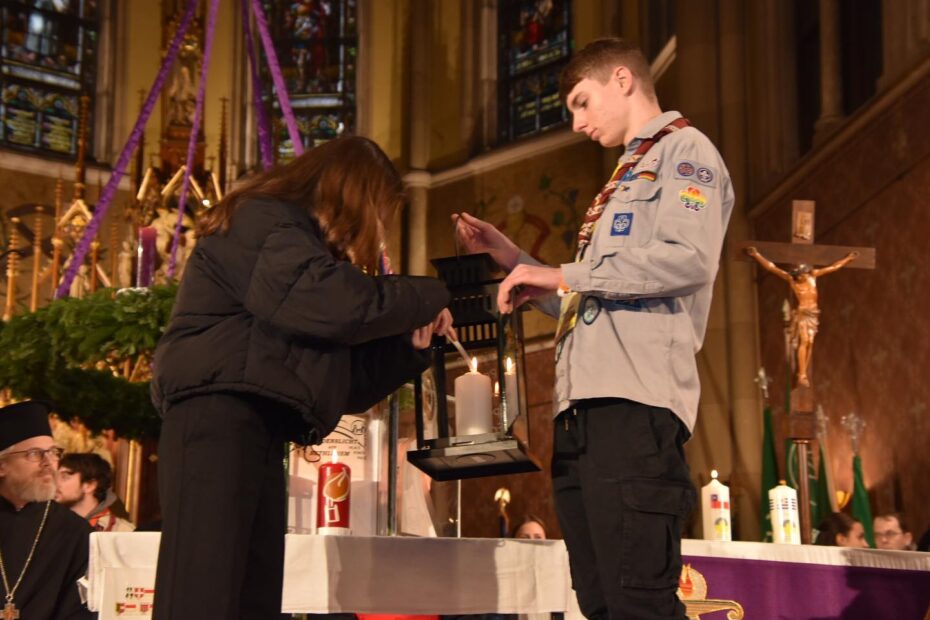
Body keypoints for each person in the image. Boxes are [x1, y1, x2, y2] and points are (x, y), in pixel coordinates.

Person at [454, 37, 734, 620]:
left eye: (583, 102)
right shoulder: (620, 180)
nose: (578, 123)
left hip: (633, 407)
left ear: (623, 80)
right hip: (582, 413)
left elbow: (687, 259)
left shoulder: (686, 152)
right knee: (601, 602)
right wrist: (514, 260)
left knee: (640, 601)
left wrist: (561, 272)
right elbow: (597, 302)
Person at [151, 136, 454, 619]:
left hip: (259, 428)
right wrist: (434, 293)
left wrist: (408, 348)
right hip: (216, 419)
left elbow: (341, 382)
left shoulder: (305, 258)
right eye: (378, 213)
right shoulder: (261, 218)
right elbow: (331, 304)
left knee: (252, 598)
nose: (376, 235)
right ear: (351, 193)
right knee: (203, 593)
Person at [0, 400, 94, 619]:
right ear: (2, 466)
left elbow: (79, 611)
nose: (49, 463)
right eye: (34, 454)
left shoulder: (75, 532)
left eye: (52, 452)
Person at [745, 247, 858, 387]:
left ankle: (802, 373)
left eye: (803, 273)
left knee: (810, 343)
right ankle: (802, 375)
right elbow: (772, 268)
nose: (802, 276)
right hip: (802, 313)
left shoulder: (813, 276)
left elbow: (833, 267)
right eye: (799, 274)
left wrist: (848, 259)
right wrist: (756, 255)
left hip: (814, 313)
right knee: (804, 341)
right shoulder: (792, 281)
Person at [56, 451, 135, 531]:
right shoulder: (52, 525)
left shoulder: (121, 531)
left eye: (64, 477)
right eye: (55, 477)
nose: (55, 483)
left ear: (90, 486)